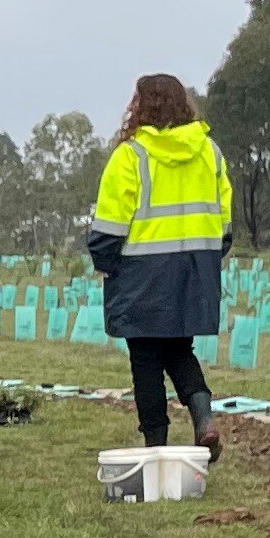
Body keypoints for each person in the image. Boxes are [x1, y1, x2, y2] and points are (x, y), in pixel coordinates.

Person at [84, 74, 231, 453]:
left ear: (140, 106)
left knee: (146, 357)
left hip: (142, 274)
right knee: (180, 350)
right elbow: (224, 221)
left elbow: (110, 223)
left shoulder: (131, 156)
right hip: (194, 271)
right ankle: (204, 420)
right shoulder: (210, 152)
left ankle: (156, 446)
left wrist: (104, 261)